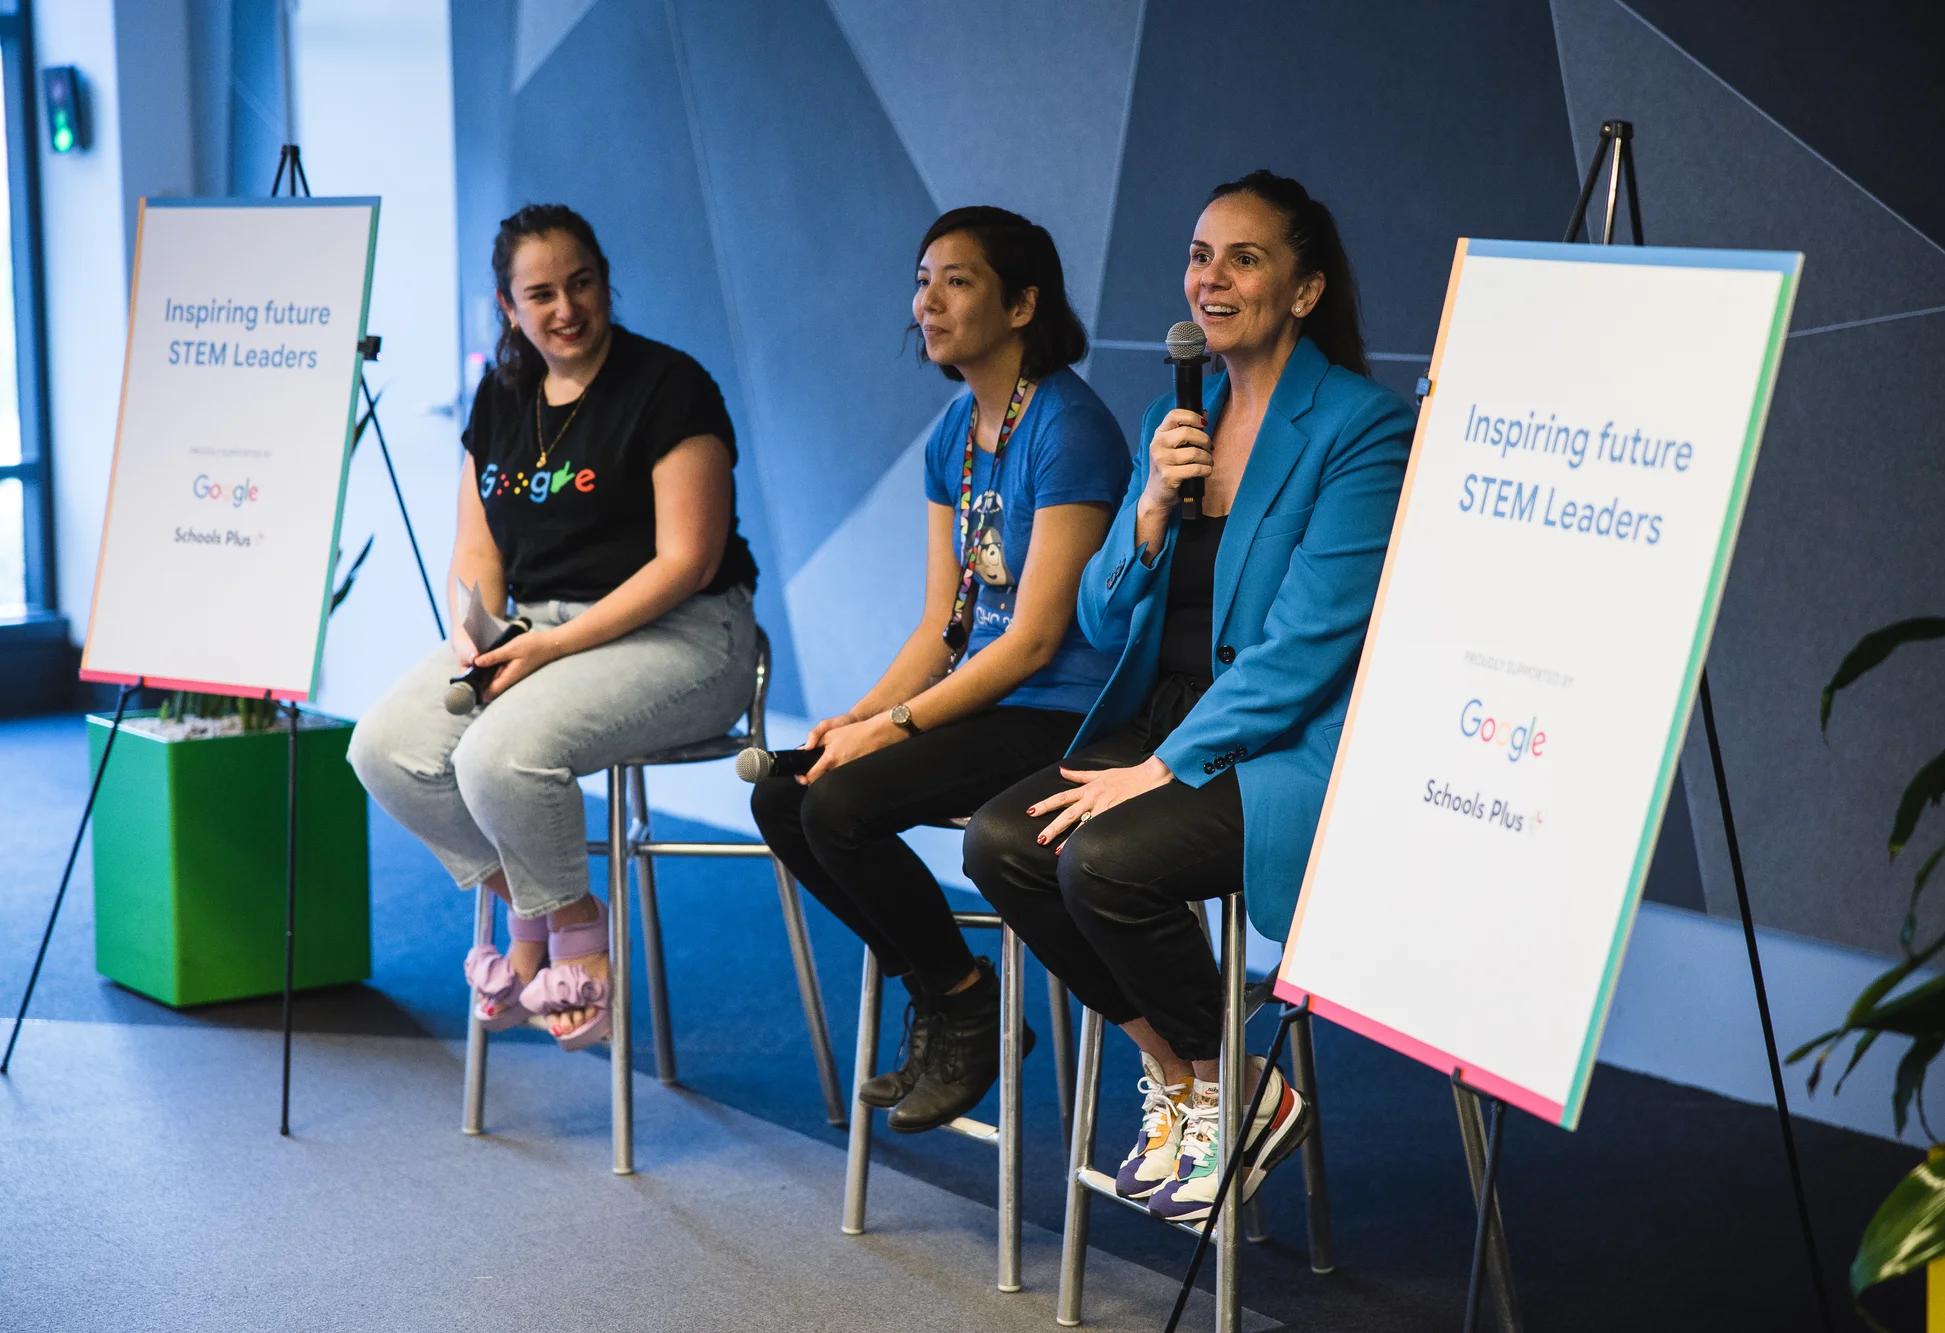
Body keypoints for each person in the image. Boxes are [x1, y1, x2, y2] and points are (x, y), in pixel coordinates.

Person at [963, 171, 1414, 1221]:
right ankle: (1197, 1078)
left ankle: (1227, 1084)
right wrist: (1152, 509)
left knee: (1106, 861)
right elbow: (1103, 614)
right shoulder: (1183, 413)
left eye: (1243, 259)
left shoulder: (1360, 430)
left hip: (1283, 744)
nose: (1209, 279)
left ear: (1302, 291)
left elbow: (1304, 649)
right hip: (1162, 714)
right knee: (1000, 843)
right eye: (1200, 256)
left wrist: (1158, 771)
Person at [750, 207, 1129, 1132]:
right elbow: (941, 626)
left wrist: (898, 728)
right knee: (790, 793)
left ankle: (962, 1001)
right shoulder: (952, 434)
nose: (928, 301)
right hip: (990, 694)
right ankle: (954, 993)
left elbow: (1036, 638)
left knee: (842, 807)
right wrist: (862, 715)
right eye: (923, 280)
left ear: (1022, 303)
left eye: (957, 281)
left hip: (1065, 710)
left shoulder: (1068, 427)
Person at [349, 204, 761, 1051]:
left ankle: (559, 936)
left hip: (686, 633)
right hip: (534, 629)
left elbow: (687, 560)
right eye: (541, 293)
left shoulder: (670, 385)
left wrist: (545, 647)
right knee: (383, 747)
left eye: (581, 283)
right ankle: (558, 905)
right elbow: (476, 549)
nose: (566, 308)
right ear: (509, 307)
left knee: (498, 755)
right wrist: (477, 634)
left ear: (606, 279)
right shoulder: (502, 396)